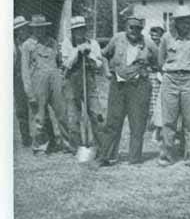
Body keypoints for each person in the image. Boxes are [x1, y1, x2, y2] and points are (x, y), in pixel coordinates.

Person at [98, 16, 158, 166]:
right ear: (126, 27)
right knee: (113, 121)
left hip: (139, 86)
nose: (134, 31)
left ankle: (134, 158)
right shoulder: (117, 39)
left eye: (138, 28)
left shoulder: (148, 44)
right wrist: (106, 71)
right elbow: (104, 55)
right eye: (131, 27)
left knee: (137, 123)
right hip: (118, 85)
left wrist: (147, 71)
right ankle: (107, 156)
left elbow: (158, 62)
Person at [158, 6, 190, 166]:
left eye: (188, 21)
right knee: (169, 120)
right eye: (182, 21)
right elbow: (161, 60)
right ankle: (167, 155)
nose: (186, 24)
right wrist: (169, 73)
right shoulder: (167, 37)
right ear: (176, 22)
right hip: (171, 79)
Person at [20, 14, 72, 155]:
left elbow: (60, 63)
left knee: (62, 113)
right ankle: (41, 146)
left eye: (42, 28)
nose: (40, 31)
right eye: (37, 28)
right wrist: (29, 92)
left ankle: (68, 144)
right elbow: (25, 70)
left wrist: (61, 79)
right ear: (32, 29)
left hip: (55, 80)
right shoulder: (27, 45)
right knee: (39, 116)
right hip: (38, 82)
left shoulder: (52, 42)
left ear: (45, 28)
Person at [61, 15, 105, 153]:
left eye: (81, 29)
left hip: (89, 80)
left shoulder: (93, 43)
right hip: (71, 82)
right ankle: (77, 147)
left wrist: (89, 54)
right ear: (72, 31)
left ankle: (100, 145)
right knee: (73, 116)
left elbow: (99, 64)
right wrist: (77, 51)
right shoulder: (66, 44)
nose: (79, 32)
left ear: (85, 30)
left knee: (96, 113)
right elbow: (66, 64)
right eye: (76, 30)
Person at [13, 16, 32, 147]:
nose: (22, 31)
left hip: (33, 77)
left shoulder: (32, 43)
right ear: (16, 31)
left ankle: (42, 137)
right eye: (19, 29)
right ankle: (26, 138)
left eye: (24, 28)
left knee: (38, 107)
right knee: (21, 109)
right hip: (18, 79)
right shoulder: (12, 46)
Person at [146, 21, 165, 143]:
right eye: (152, 36)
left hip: (163, 76)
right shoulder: (147, 46)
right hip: (150, 76)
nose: (154, 38)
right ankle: (152, 130)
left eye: (157, 36)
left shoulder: (164, 46)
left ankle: (157, 132)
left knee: (160, 105)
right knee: (151, 105)